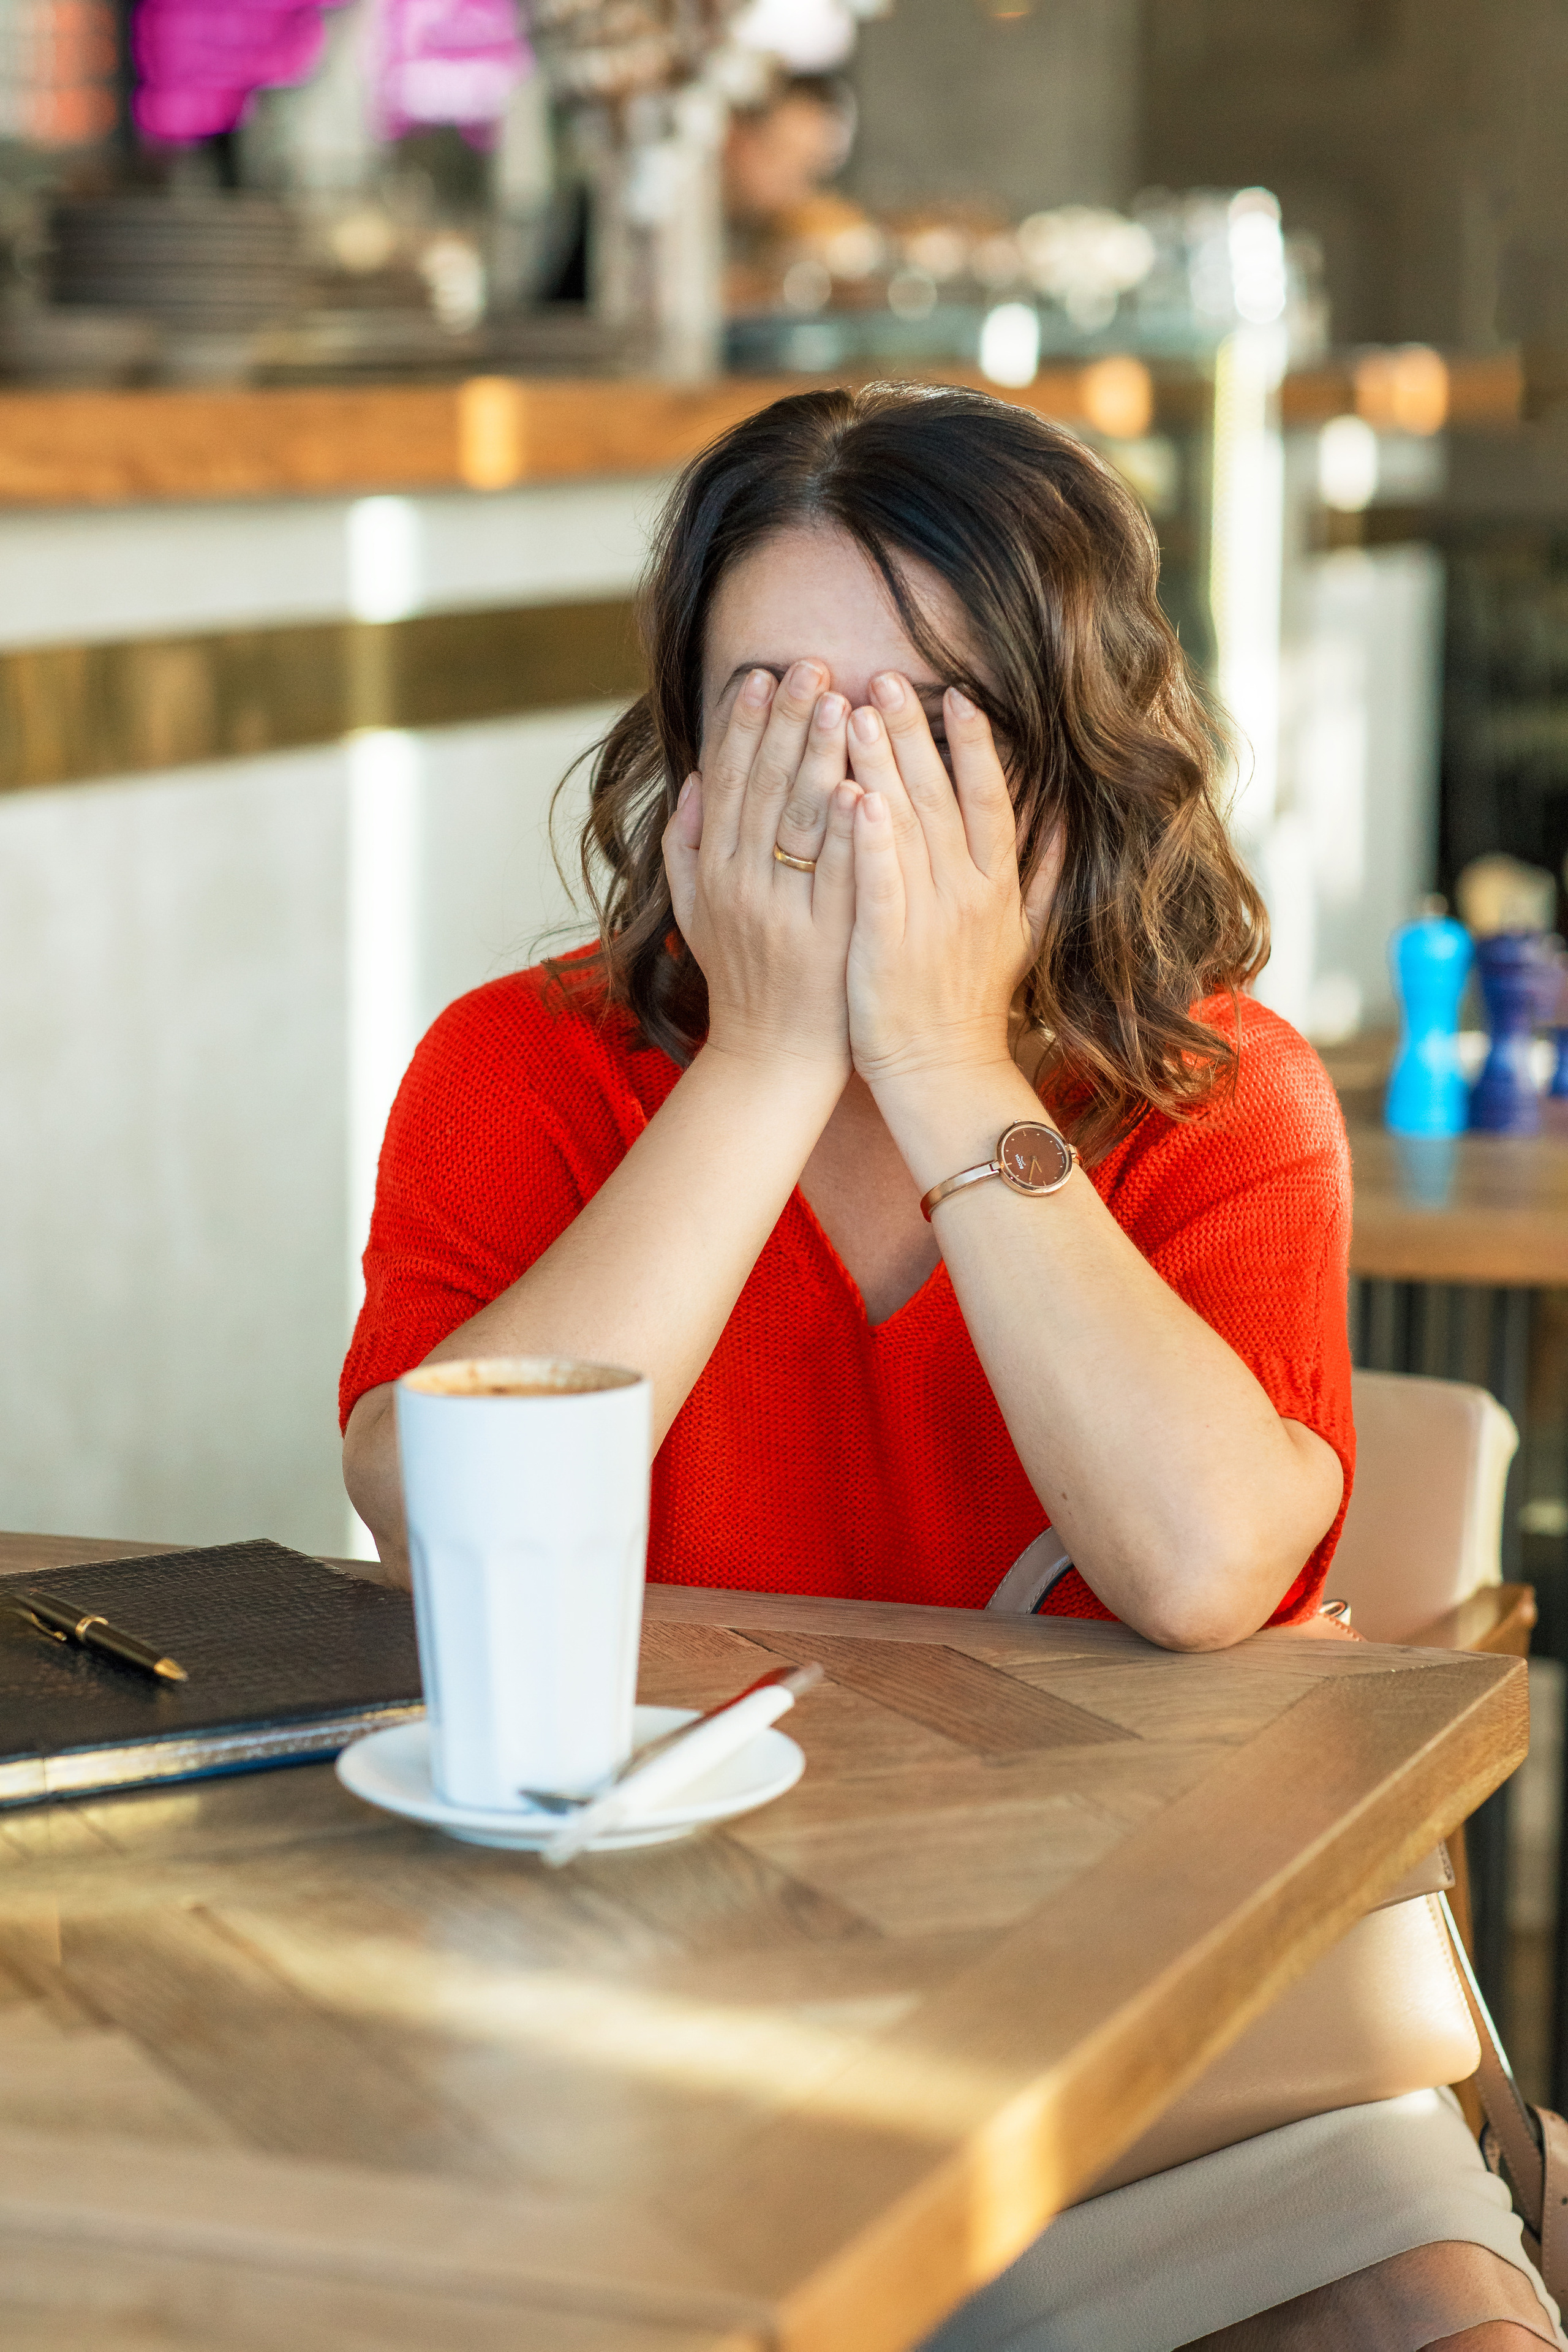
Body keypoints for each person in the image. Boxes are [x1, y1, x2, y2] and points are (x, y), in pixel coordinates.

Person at [340, 383, 1558, 2348]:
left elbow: (1194, 1566)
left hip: (1168, 2038)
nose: (843, 787)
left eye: (923, 723)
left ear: (1072, 758)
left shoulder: (1220, 1095)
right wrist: (758, 1062)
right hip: (647, 2019)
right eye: (772, 708)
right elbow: (425, 1506)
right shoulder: (519, 1067)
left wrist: (937, 1062)